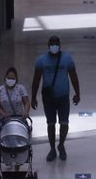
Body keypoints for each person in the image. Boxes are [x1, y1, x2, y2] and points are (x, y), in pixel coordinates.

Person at [31, 34, 80, 162]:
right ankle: (52, 149)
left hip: (63, 96)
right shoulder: (41, 60)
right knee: (50, 124)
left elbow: (74, 77)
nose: (54, 46)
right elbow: (36, 80)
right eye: (52, 43)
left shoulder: (67, 59)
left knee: (64, 123)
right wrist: (33, 97)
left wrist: (77, 93)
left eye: (56, 43)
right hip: (48, 98)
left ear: (60, 45)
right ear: (48, 46)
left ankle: (61, 144)